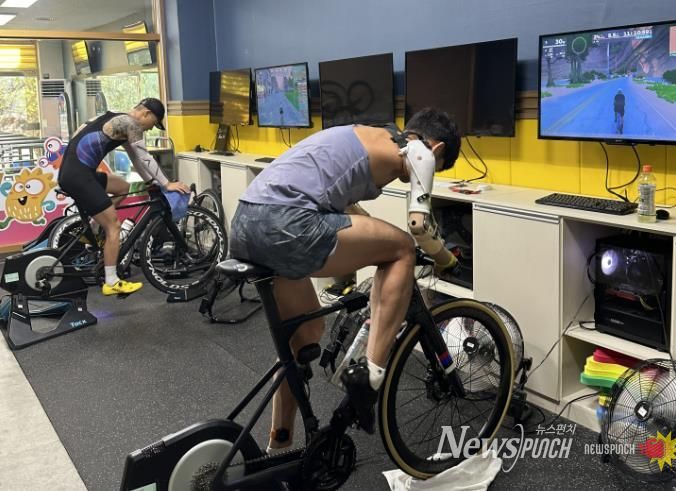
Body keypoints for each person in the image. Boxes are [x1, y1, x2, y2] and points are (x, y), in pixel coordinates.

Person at [228, 107, 461, 454]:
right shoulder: (420, 151)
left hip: (246, 223)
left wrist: (371, 233)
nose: (429, 172)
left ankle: (279, 445)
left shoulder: (364, 133)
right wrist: (446, 259)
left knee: (305, 337)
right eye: (437, 169)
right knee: (401, 250)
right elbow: (419, 227)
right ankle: (372, 375)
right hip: (286, 224)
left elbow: (344, 204)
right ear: (437, 148)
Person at [57, 98, 189, 296]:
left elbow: (136, 159)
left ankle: (94, 226)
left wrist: (150, 181)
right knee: (113, 226)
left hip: (75, 172)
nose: (149, 129)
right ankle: (111, 281)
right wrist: (167, 184)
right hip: (79, 176)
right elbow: (145, 156)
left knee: (122, 187)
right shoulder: (131, 124)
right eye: (153, 124)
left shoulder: (114, 118)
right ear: (146, 114)